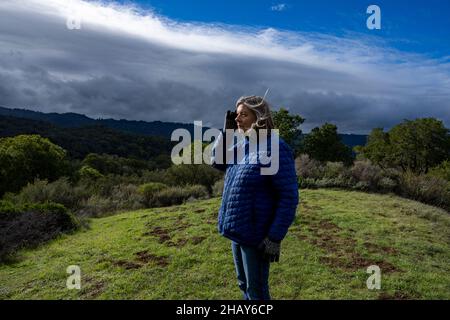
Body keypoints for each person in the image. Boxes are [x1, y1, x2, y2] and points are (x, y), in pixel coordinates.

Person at [210, 95, 299, 300]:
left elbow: (288, 196)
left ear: (259, 117)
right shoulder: (246, 144)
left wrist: (274, 238)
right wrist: (228, 131)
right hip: (238, 230)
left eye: (243, 114)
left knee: (256, 291)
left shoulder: (275, 147)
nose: (238, 119)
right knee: (244, 284)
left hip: (257, 236)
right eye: (236, 115)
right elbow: (217, 160)